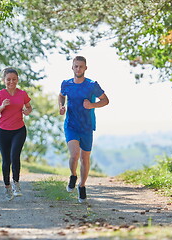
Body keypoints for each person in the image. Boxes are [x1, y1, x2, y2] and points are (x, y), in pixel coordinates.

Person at [58, 56, 109, 203]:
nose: (78, 69)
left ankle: (82, 186)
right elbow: (61, 96)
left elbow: (105, 100)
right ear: (72, 67)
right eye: (76, 66)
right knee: (74, 155)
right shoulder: (66, 84)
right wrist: (61, 106)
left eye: (81, 66)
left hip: (86, 126)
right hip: (71, 125)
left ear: (86, 68)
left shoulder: (92, 85)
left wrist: (92, 105)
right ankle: (73, 175)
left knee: (84, 158)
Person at [0, 67, 32, 201]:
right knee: (6, 160)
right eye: (8, 79)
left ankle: (16, 184)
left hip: (19, 129)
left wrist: (27, 111)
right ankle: (7, 187)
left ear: (17, 80)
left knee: (15, 156)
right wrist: (2, 106)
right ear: (4, 80)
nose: (11, 82)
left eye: (14, 79)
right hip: (3, 131)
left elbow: (29, 107)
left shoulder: (22, 94)